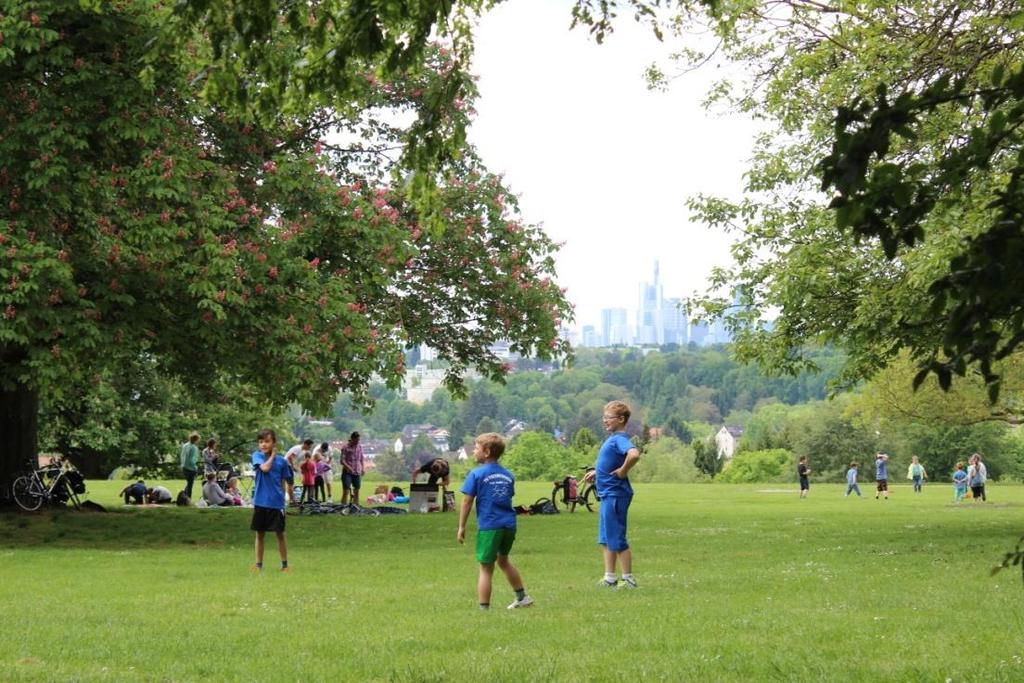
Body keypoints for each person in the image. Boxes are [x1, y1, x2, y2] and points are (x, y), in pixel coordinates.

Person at [457, 432, 533, 610]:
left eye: (476, 448)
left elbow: (467, 501)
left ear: (487, 451)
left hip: (490, 526)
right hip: (509, 525)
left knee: (486, 568)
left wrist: (461, 526)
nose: (474, 451)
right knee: (503, 560)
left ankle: (484, 609)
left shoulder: (476, 474)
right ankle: (522, 597)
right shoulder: (508, 474)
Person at [584, 400, 641, 589]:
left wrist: (623, 471)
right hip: (608, 494)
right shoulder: (612, 439)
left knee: (616, 537)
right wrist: (596, 473)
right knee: (606, 537)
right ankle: (609, 577)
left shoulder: (620, 439)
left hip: (616, 495)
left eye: (608, 418)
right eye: (604, 417)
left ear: (621, 419)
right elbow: (609, 461)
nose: (604, 421)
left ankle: (628, 579)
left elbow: (633, 455)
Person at [251, 428, 292, 572]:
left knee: (280, 534)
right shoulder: (257, 456)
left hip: (276, 503)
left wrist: (285, 499)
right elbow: (265, 468)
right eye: (261, 442)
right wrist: (273, 455)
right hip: (260, 501)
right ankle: (258, 565)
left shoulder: (282, 462)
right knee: (259, 534)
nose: (263, 445)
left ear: (274, 442)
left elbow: (284, 481)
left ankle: (285, 565)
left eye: (267, 441)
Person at [284, 439, 314, 504]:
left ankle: (291, 499)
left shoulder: (304, 451)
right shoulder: (298, 448)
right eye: (309, 447)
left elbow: (300, 460)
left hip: (290, 465)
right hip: (286, 465)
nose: (309, 448)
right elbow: (290, 457)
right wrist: (293, 466)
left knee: (290, 483)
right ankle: (292, 500)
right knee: (290, 483)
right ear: (305, 444)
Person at [340, 432, 365, 506]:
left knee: (357, 490)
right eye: (356, 440)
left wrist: (363, 468)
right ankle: (343, 506)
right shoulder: (345, 447)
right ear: (352, 439)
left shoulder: (359, 447)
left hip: (357, 472)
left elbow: (361, 459)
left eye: (359, 440)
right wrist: (348, 467)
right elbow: (342, 460)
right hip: (347, 472)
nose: (358, 442)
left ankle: (355, 505)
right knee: (346, 490)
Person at [180, 432, 201, 499]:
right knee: (190, 485)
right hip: (190, 468)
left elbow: (182, 456)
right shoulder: (194, 448)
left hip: (184, 467)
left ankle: (183, 497)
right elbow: (191, 460)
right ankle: (188, 499)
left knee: (188, 484)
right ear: (196, 440)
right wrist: (195, 467)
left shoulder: (185, 445)